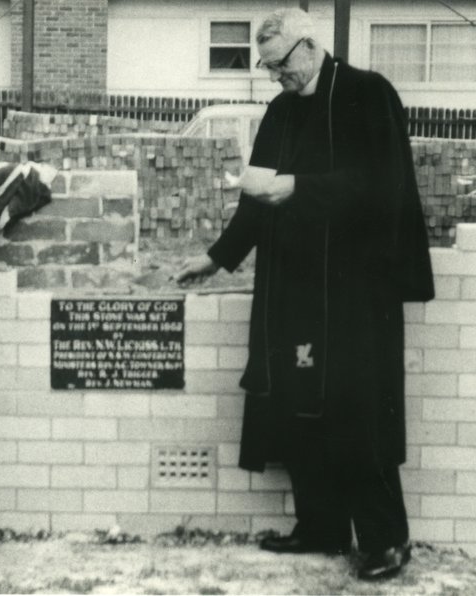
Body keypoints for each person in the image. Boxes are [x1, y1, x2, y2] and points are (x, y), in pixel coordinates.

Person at [175, 8, 434, 581]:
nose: (276, 79)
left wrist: (294, 187)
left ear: (309, 48)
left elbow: (380, 186)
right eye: (267, 70)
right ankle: (320, 528)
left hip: (354, 293)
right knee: (299, 407)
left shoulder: (368, 94)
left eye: (279, 66)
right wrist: (216, 258)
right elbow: (256, 195)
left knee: (357, 413)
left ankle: (387, 540)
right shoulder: (281, 111)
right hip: (293, 288)